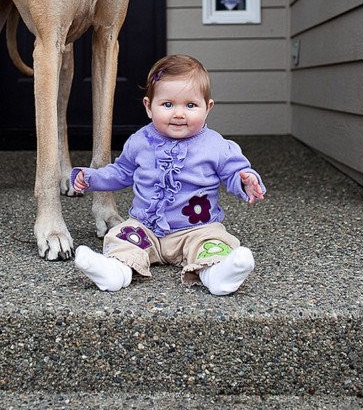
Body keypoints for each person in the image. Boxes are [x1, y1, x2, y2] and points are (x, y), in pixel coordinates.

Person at [71, 54, 265, 296]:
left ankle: (218, 275)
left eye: (191, 105)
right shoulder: (140, 142)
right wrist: (91, 178)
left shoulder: (216, 145)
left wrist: (245, 181)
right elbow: (120, 172)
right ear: (148, 107)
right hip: (147, 228)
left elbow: (234, 171)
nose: (179, 114)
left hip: (196, 229)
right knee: (122, 236)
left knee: (213, 243)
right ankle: (114, 272)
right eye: (168, 104)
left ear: (208, 108)